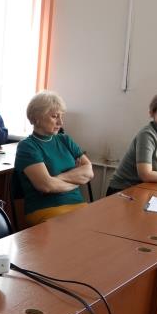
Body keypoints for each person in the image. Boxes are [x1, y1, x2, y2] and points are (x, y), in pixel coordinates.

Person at [14, 91, 93, 225]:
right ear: (37, 117)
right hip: (46, 209)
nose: (60, 122)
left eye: (61, 116)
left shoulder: (65, 139)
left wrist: (56, 179)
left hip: (78, 205)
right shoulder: (27, 146)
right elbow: (46, 186)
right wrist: (76, 181)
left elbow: (89, 172)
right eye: (54, 116)